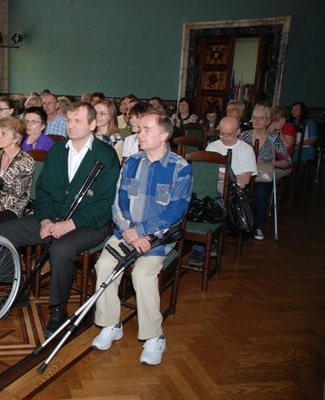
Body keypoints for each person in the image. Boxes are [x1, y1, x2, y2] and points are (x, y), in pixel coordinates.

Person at [0, 101, 120, 337]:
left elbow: (105, 203)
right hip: (51, 218)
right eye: (69, 120)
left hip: (88, 224)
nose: (71, 126)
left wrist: (70, 224)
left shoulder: (106, 155)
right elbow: (42, 191)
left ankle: (58, 308)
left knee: (61, 249)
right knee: (5, 231)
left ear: (93, 124)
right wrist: (44, 220)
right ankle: (15, 290)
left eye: (77, 121)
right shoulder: (57, 150)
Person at [91, 109, 192, 366]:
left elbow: (175, 211)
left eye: (147, 130)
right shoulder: (132, 162)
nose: (139, 133)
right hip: (127, 231)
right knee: (103, 266)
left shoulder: (180, 168)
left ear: (164, 135)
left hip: (158, 237)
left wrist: (144, 231)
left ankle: (154, 337)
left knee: (142, 274)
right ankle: (111, 324)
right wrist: (130, 231)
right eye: (140, 128)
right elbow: (118, 202)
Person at [189, 116, 257, 266]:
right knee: (197, 196)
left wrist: (216, 173)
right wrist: (229, 174)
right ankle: (206, 240)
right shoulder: (212, 147)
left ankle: (201, 247)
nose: (225, 138)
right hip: (209, 187)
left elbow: (244, 180)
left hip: (233, 193)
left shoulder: (246, 150)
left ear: (238, 132)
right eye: (222, 134)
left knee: (208, 200)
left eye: (229, 134)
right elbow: (202, 173)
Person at [240, 104, 291, 240]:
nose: (256, 121)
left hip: (262, 176)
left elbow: (287, 162)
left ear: (268, 121)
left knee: (261, 191)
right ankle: (239, 222)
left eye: (261, 118)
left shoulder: (273, 138)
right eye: (254, 117)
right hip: (245, 174)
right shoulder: (243, 136)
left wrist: (271, 163)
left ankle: (258, 227)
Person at [0, 116, 34, 236]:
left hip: (11, 209)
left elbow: (13, 196)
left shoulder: (25, 161)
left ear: (16, 139)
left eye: (3, 133)